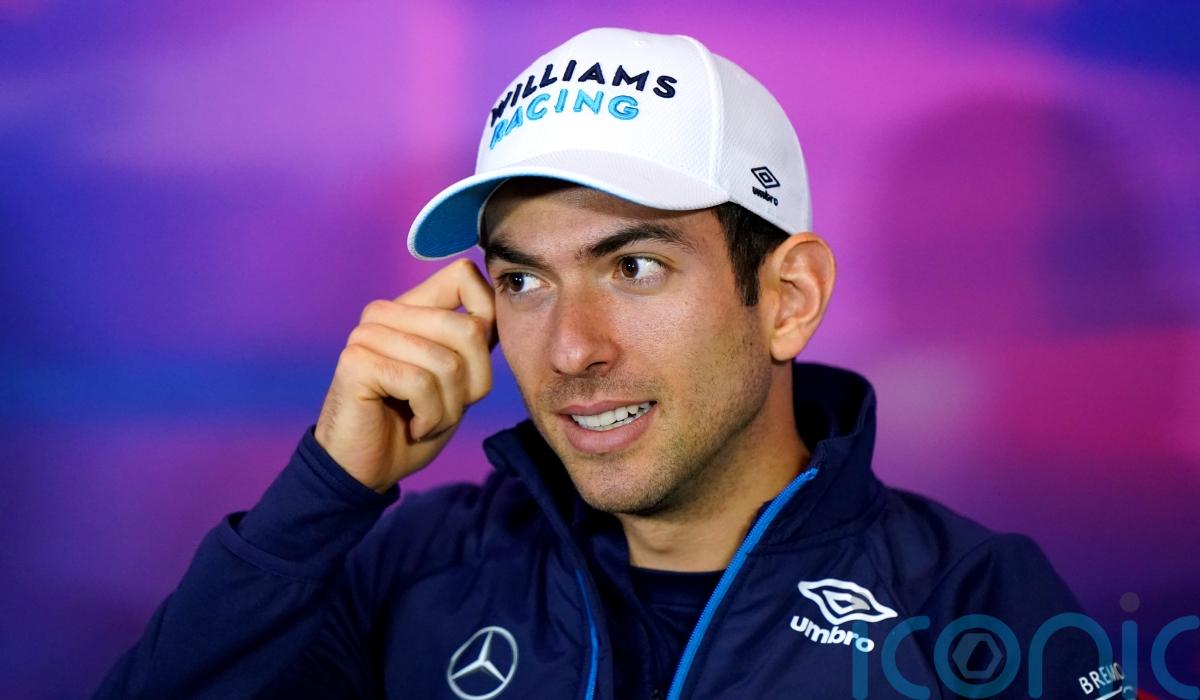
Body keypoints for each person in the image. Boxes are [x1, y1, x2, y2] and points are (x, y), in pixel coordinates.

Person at [95, 27, 1131, 700]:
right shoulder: (414, 569)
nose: (570, 348)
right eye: (524, 280)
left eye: (634, 266)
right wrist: (324, 494)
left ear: (788, 297)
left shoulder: (970, 601)